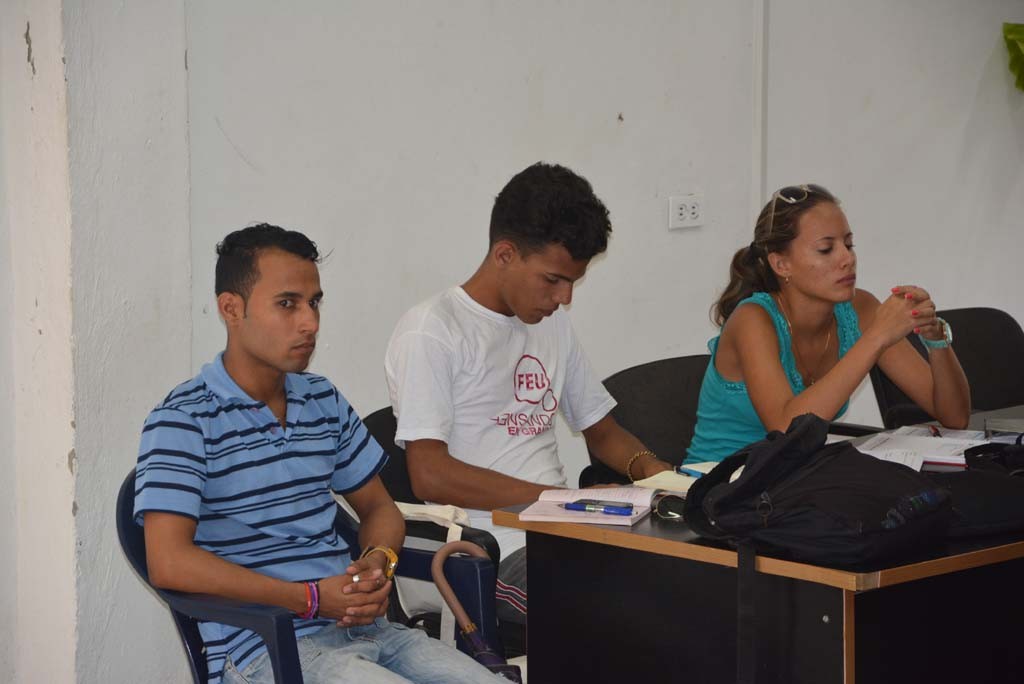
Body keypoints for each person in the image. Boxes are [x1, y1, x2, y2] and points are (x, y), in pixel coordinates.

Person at [134, 224, 506, 684]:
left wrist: (377, 562)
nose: (309, 322)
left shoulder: (320, 399)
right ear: (232, 309)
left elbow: (379, 509)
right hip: (265, 649)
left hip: (368, 631)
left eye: (314, 303)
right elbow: (168, 561)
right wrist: (308, 598)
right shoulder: (183, 420)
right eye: (287, 304)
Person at [384, 162, 673, 625]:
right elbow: (430, 475)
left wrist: (664, 479)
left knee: (692, 582)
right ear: (504, 254)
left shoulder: (552, 325)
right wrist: (563, 501)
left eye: (573, 283)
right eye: (552, 280)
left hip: (559, 533)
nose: (564, 299)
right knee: (626, 611)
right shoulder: (433, 331)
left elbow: (602, 432)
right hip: (480, 553)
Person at [686, 183, 971, 463]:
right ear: (781, 264)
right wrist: (876, 338)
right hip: (722, 487)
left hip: (793, 482)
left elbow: (954, 417)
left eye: (849, 244)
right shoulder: (753, 319)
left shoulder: (861, 309)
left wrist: (936, 341)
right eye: (826, 249)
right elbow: (787, 430)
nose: (847, 258)